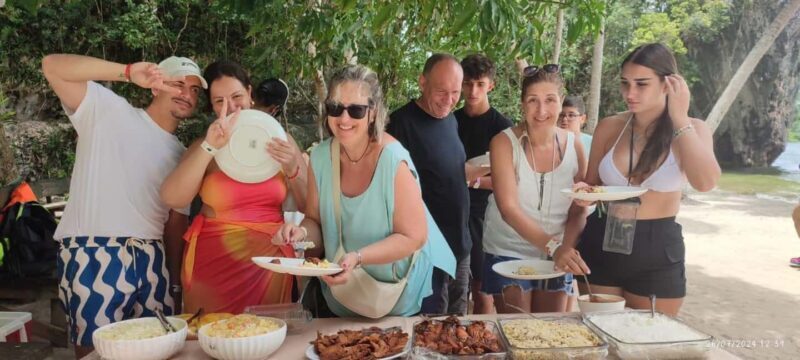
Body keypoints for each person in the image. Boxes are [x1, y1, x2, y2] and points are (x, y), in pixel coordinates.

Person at [42, 54, 205, 357]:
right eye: (178, 84)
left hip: (152, 257)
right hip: (94, 250)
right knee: (95, 351)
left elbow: (175, 222)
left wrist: (174, 284)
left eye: (195, 90)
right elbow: (52, 66)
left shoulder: (183, 155)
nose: (187, 94)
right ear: (156, 86)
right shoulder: (110, 111)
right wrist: (128, 72)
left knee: (160, 349)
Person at [272, 64, 456, 317]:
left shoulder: (393, 160)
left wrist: (358, 257)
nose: (344, 119)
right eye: (336, 108)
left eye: (356, 110)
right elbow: (315, 221)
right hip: (345, 292)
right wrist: (301, 232)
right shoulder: (321, 157)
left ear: (373, 113)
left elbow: (413, 237)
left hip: (402, 292)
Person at [574, 43, 721, 316]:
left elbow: (706, 182)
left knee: (652, 340)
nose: (630, 93)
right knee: (599, 334)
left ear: (668, 84)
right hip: (602, 238)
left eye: (641, 84)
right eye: (625, 83)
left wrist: (678, 118)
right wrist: (584, 191)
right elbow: (591, 183)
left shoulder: (692, 129)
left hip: (657, 248)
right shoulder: (610, 127)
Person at [159, 60, 308, 314]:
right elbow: (172, 197)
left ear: (250, 94)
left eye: (237, 96)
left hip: (270, 262)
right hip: (214, 263)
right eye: (220, 101)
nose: (231, 106)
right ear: (213, 107)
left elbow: (311, 206)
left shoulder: (280, 139)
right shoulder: (205, 145)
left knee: (267, 340)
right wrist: (209, 146)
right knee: (212, 340)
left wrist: (294, 166)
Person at [481, 64, 589, 313]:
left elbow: (579, 207)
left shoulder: (575, 145)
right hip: (509, 249)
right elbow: (508, 208)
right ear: (522, 104)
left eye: (550, 100)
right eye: (533, 101)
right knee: (518, 334)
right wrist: (554, 247)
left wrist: (566, 250)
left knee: (550, 332)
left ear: (561, 102)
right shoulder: (504, 143)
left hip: (557, 251)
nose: (542, 110)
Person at [387, 54, 471, 315]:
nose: (449, 100)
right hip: (426, 250)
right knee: (430, 330)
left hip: (460, 243)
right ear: (422, 82)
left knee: (461, 330)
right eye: (441, 91)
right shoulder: (399, 124)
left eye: (456, 93)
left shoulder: (451, 119)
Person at [454, 54, 512, 314]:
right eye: (467, 83)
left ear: (491, 85)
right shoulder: (448, 122)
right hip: (450, 213)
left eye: (479, 83)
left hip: (484, 216)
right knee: (450, 288)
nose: (473, 90)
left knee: (481, 290)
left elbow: (511, 180)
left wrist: (473, 180)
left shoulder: (502, 129)